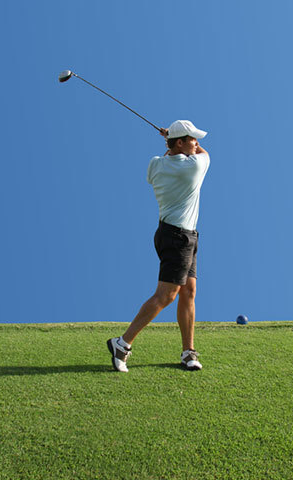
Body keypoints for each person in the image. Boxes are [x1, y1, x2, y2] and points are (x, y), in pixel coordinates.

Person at [107, 120, 210, 372]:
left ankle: (188, 352)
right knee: (167, 295)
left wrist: (171, 144)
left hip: (174, 233)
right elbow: (205, 153)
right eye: (192, 139)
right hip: (179, 239)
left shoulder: (155, 165)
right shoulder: (194, 167)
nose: (196, 143)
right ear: (180, 143)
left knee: (189, 291)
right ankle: (122, 343)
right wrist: (170, 139)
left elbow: (170, 156)